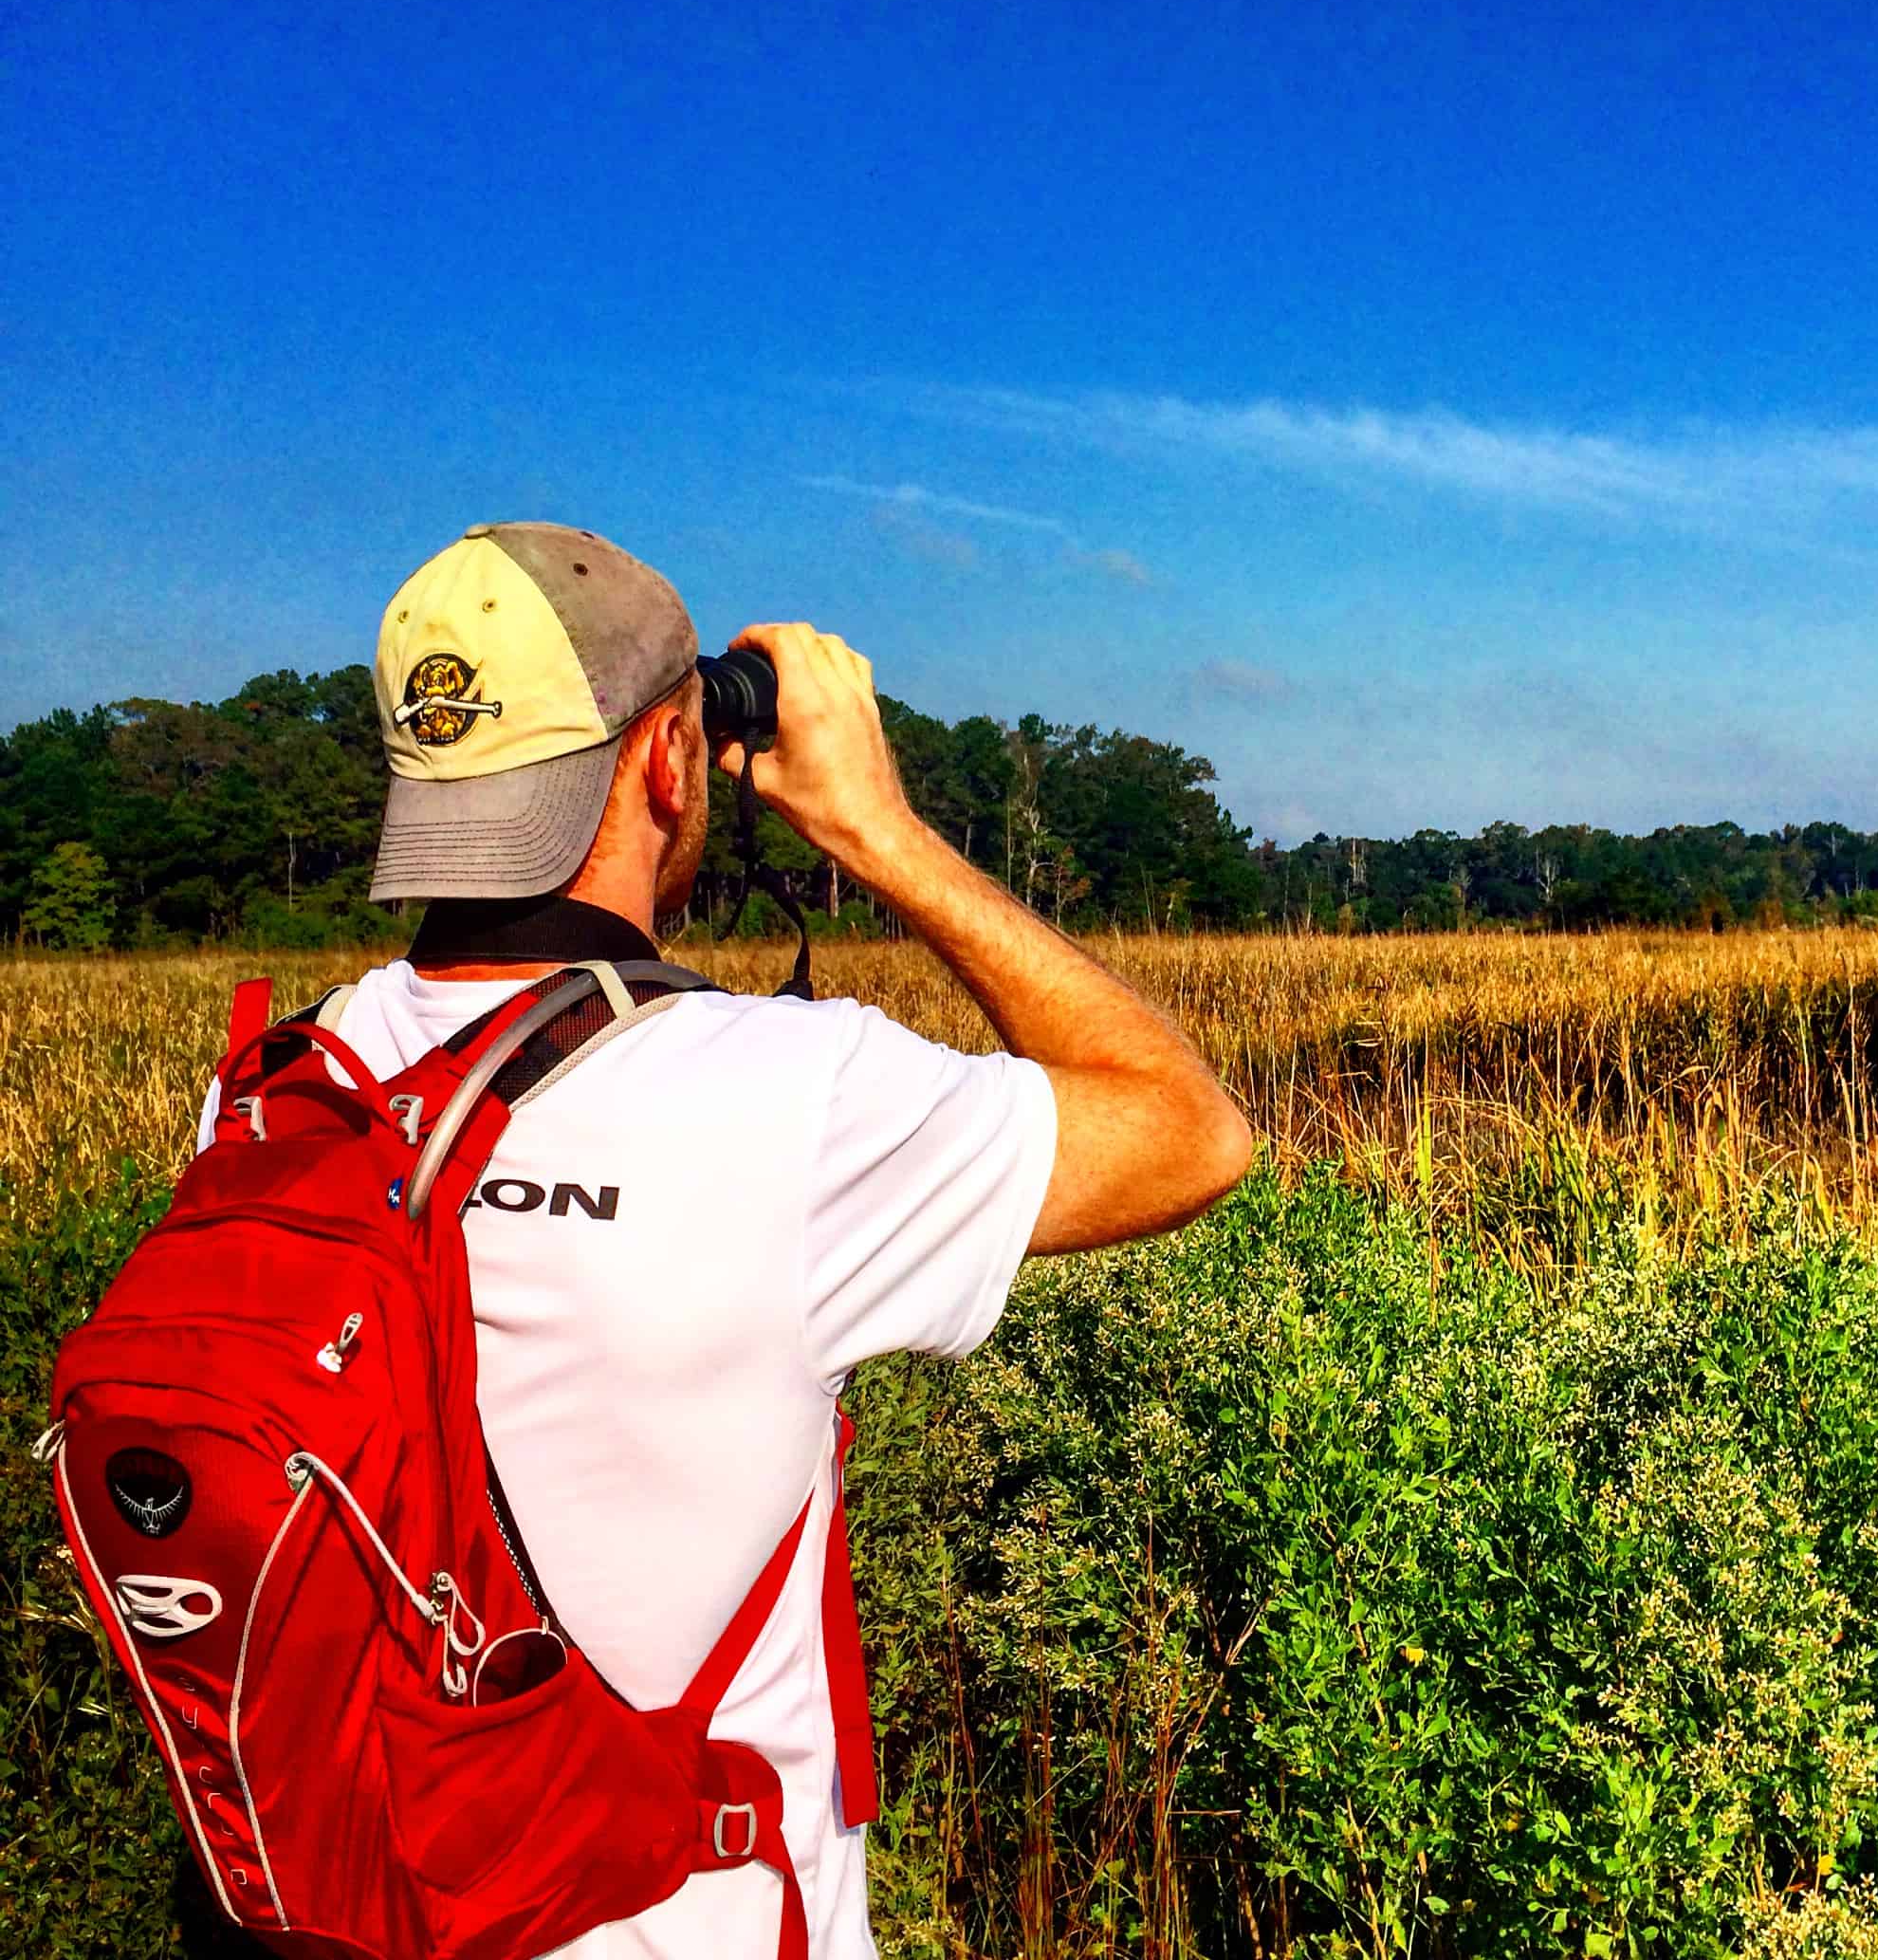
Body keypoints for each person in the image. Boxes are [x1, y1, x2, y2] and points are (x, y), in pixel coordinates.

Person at [202, 520, 1251, 1958]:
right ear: (668, 761)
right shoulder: (787, 1100)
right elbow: (1191, 1133)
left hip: (360, 1911)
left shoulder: (281, 1089)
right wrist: (877, 828)